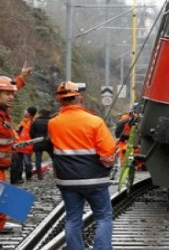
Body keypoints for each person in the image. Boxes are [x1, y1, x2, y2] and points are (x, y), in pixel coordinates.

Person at [48, 81, 115, 249]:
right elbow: (107, 151)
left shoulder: (53, 123)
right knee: (103, 217)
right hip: (94, 180)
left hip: (67, 180)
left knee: (72, 219)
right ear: (80, 98)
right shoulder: (95, 121)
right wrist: (107, 166)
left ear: (60, 101)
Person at [0, 63, 32, 232]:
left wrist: (21, 77)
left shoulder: (4, 110)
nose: (11, 97)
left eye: (12, 93)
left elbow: (11, 89)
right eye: (7, 94)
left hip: (2, 167)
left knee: (3, 206)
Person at [10, 106, 37, 184]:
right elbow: (17, 131)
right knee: (18, 163)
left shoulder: (33, 122)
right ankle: (19, 178)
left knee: (27, 163)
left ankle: (29, 176)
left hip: (27, 146)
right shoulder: (24, 121)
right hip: (19, 145)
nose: (25, 112)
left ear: (30, 113)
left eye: (27, 111)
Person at [29, 108, 54, 180]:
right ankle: (56, 174)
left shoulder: (35, 122)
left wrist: (35, 138)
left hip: (38, 142)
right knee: (54, 158)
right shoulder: (51, 121)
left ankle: (40, 176)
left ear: (40, 114)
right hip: (49, 142)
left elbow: (31, 132)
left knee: (38, 160)